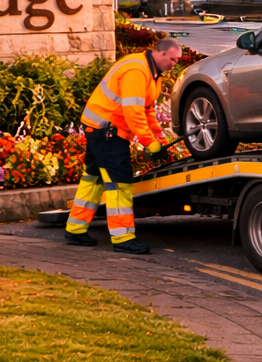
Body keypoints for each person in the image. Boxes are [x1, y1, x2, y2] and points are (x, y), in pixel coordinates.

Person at [65, 38, 184, 254]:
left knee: (93, 178)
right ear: (162, 53)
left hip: (100, 128)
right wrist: (149, 142)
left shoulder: (151, 72)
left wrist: (158, 137)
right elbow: (133, 113)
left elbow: (146, 109)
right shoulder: (137, 71)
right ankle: (123, 239)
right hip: (107, 131)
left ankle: (75, 228)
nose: (174, 64)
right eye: (173, 60)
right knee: (119, 183)